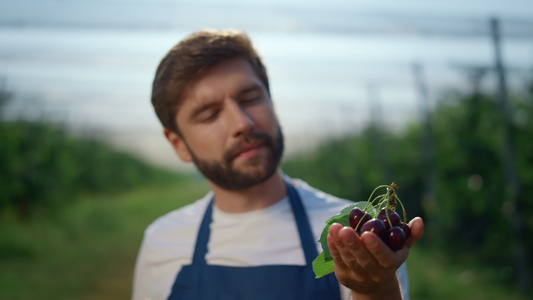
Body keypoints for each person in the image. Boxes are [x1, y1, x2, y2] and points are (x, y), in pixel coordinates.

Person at [132, 29, 424, 300]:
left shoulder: (352, 234)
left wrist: (374, 288)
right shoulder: (162, 242)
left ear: (271, 101)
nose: (242, 123)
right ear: (178, 144)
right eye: (209, 115)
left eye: (250, 98)